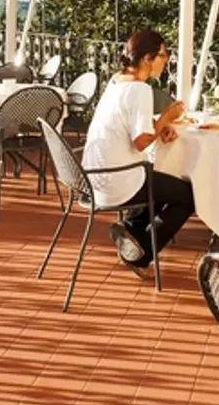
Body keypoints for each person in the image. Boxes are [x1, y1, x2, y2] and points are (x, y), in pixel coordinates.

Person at [82, 29, 195, 274]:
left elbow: (132, 129)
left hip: (93, 176)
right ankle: (141, 253)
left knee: (164, 180)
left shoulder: (117, 81)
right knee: (187, 196)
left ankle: (130, 229)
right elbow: (142, 142)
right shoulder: (140, 90)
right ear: (147, 58)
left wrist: (160, 127)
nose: (166, 62)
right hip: (118, 179)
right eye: (164, 56)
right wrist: (168, 116)